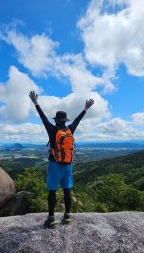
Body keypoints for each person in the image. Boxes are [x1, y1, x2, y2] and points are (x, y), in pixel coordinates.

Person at [29, 91, 94, 228]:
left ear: (56, 120)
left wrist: (36, 103)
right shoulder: (70, 129)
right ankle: (67, 217)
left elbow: (43, 118)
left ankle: (51, 218)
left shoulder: (52, 130)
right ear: (65, 121)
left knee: (52, 191)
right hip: (68, 165)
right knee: (67, 191)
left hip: (55, 164)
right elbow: (77, 120)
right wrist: (86, 109)